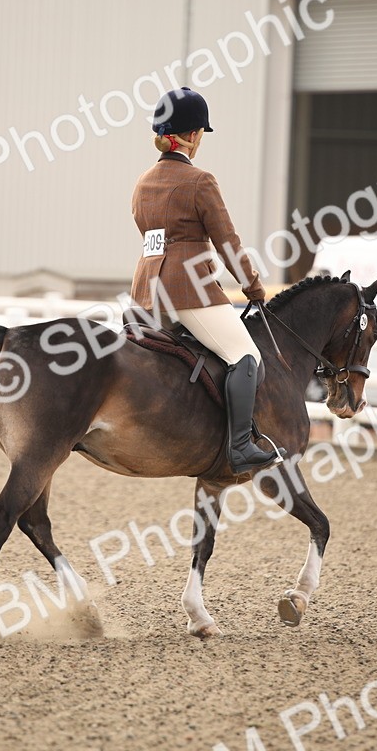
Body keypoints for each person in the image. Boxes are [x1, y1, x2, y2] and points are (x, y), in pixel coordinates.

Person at [130, 87, 284, 474]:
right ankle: (240, 447)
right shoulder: (200, 181)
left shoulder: (143, 182)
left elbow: (151, 238)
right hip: (187, 291)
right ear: (194, 135)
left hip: (147, 293)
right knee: (246, 357)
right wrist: (252, 285)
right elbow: (228, 243)